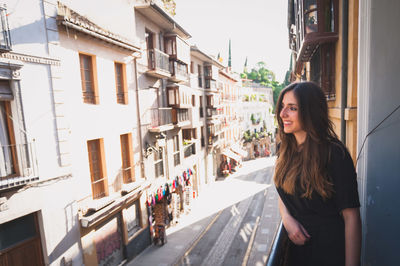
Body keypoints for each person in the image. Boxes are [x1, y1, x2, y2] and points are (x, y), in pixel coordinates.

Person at [274, 82, 361, 266]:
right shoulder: (285, 150)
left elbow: (351, 217)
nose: (283, 114)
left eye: (292, 108)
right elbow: (284, 191)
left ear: (310, 111)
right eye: (282, 106)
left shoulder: (335, 154)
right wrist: (287, 219)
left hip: (329, 253)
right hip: (296, 254)